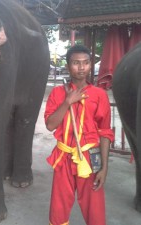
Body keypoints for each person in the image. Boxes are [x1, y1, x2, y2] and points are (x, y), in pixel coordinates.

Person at [44, 45, 114, 225]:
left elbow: (105, 133)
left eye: (85, 63)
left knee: (95, 210)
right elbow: (50, 125)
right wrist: (67, 102)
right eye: (76, 63)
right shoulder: (58, 93)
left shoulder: (99, 95)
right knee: (58, 209)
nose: (81, 67)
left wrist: (104, 167)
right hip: (64, 157)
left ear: (90, 65)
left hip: (90, 159)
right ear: (68, 66)